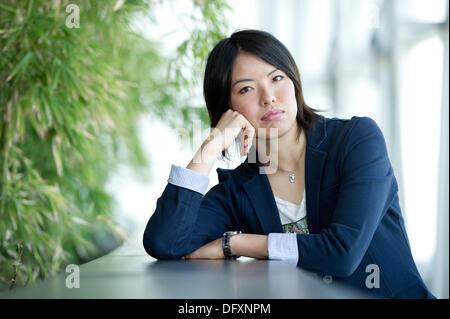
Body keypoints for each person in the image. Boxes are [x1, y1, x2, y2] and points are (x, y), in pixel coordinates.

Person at [143, 29, 435, 299]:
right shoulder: (237, 190)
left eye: (277, 78)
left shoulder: (355, 140)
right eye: (246, 89)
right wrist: (212, 144)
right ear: (227, 109)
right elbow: (165, 243)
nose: (269, 98)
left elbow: (342, 254)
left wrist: (236, 244)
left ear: (294, 80)